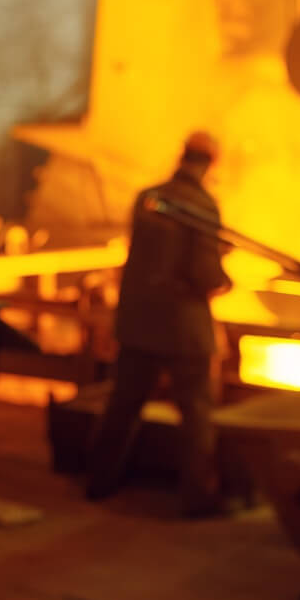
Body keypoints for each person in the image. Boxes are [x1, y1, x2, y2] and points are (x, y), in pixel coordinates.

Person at [86, 130, 233, 514]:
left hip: (137, 322)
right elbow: (203, 273)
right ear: (211, 164)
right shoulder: (202, 205)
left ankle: (99, 482)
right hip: (182, 329)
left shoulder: (148, 198)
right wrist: (223, 276)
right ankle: (199, 498)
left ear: (182, 155)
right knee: (197, 411)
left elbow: (154, 253)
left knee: (123, 404)